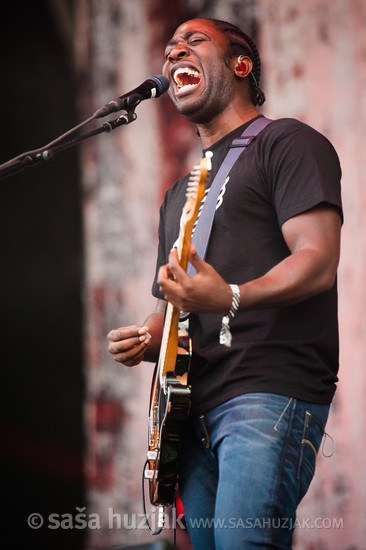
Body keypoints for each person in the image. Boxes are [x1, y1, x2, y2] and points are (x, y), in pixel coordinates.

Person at [107, 18, 342, 550]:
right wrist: (145, 338)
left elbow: (318, 259)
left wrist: (232, 296)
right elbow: (176, 311)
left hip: (265, 390)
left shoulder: (287, 142)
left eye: (193, 43)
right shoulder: (177, 196)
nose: (173, 55)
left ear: (241, 65)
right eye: (168, 50)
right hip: (191, 411)